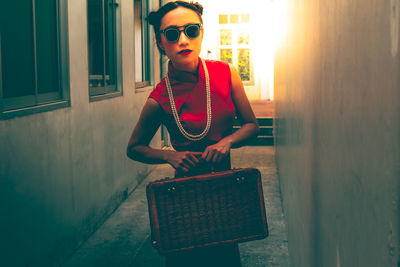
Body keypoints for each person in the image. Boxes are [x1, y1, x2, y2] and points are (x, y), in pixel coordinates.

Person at [126, 1, 259, 266]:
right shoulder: (160, 97)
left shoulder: (225, 73)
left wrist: (228, 141)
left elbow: (252, 126)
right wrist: (169, 156)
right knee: (186, 259)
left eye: (191, 30)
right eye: (172, 34)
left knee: (225, 258)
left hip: (225, 187)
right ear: (161, 43)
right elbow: (134, 148)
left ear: (201, 32)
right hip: (184, 196)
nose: (183, 40)